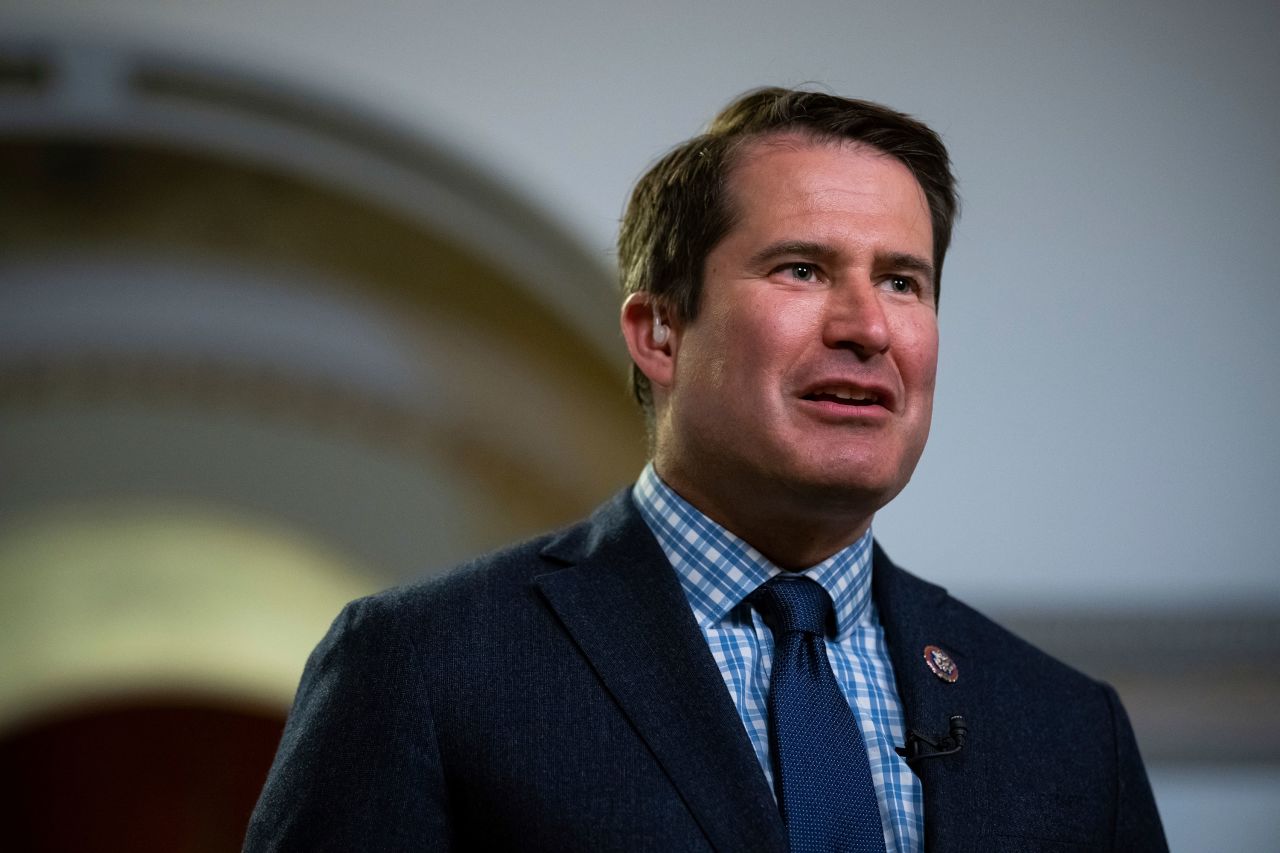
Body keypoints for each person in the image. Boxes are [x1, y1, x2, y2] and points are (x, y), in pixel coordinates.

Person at [245, 88, 1168, 852]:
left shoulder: (1069, 728)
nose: (868, 326)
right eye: (802, 269)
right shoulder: (424, 666)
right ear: (659, 332)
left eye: (902, 281)